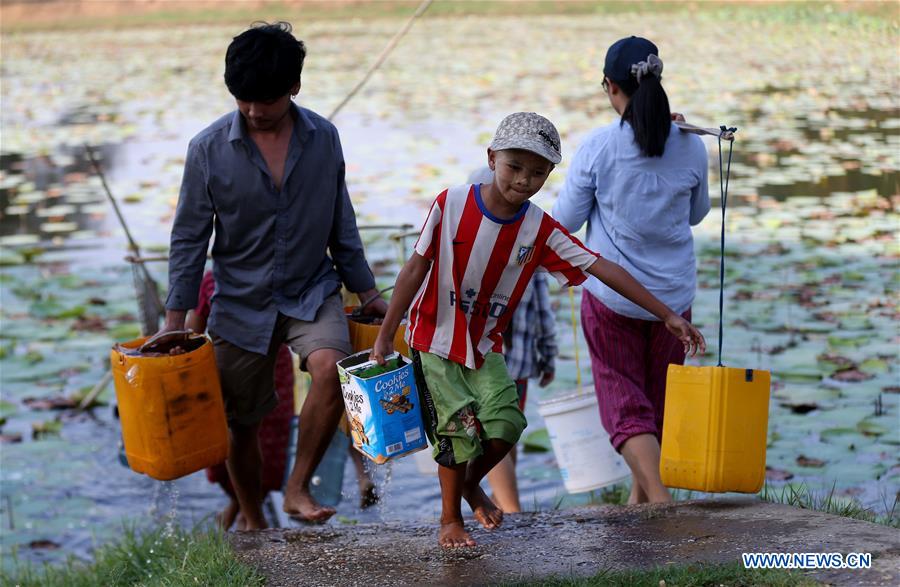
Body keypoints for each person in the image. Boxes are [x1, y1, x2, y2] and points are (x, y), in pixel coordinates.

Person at [371, 112, 705, 548]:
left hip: (485, 346)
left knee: (507, 423)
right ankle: (450, 519)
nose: (524, 180)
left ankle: (470, 485)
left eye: (538, 172)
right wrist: (385, 335)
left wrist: (666, 314)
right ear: (492, 158)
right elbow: (415, 268)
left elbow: (600, 266)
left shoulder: (539, 229)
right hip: (434, 339)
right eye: (514, 167)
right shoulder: (450, 203)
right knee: (455, 429)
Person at [161, 22, 387, 529]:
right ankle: (253, 519)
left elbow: (341, 220)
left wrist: (367, 290)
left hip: (312, 289)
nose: (253, 110)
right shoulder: (207, 149)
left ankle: (297, 487)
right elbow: (189, 239)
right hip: (239, 299)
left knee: (332, 368)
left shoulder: (324, 138)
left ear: (294, 87)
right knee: (242, 423)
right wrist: (175, 322)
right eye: (242, 99)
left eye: (265, 99)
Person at [553, 36, 711, 505]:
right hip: (675, 298)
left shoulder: (600, 146)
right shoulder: (691, 145)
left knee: (626, 407)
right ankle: (639, 509)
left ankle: (661, 503)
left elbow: (564, 221)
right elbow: (697, 214)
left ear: (610, 86)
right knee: (655, 408)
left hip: (614, 300)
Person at [467, 167, 557, 514]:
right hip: (516, 364)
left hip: (478, 361)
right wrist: (548, 357)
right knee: (506, 430)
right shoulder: (528, 249)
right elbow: (543, 314)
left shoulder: (467, 250)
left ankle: (509, 508)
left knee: (494, 433)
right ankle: (507, 506)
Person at [188, 271, 294, 530]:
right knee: (228, 442)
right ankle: (242, 507)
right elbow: (194, 330)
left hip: (273, 366)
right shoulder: (212, 280)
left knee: (270, 445)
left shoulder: (278, 273)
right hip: (228, 367)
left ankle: (247, 514)